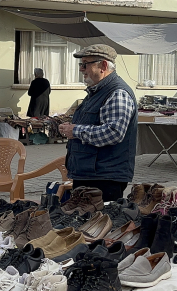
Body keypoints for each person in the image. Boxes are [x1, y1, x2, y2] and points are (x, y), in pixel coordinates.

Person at [57, 44, 138, 202]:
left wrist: (75, 131)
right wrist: (70, 128)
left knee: (99, 217)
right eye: (81, 64)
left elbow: (114, 133)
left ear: (104, 66)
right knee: (82, 216)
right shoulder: (97, 91)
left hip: (104, 177)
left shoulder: (117, 93)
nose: (81, 69)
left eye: (85, 64)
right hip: (91, 174)